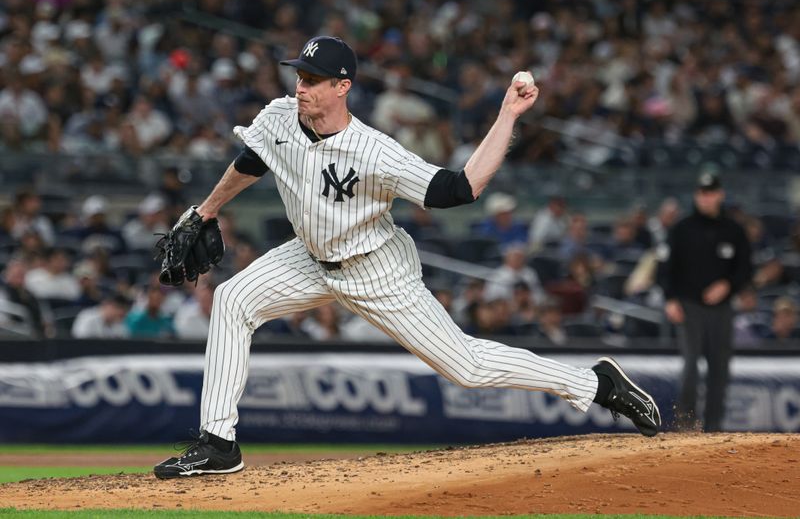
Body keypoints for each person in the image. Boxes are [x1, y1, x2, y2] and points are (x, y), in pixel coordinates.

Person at [153, 36, 661, 479]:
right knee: (233, 299)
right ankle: (218, 444)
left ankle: (595, 384)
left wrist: (507, 114)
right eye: (299, 76)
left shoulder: (375, 152)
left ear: (342, 86)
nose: (300, 87)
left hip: (376, 268)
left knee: (467, 367)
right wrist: (202, 213)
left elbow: (461, 189)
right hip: (308, 258)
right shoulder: (279, 117)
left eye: (313, 79)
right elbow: (250, 160)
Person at [663, 171, 752, 432]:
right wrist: (670, 299)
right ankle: (685, 425)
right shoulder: (682, 228)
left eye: (711, 193)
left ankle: (714, 429)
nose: (706, 198)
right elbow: (667, 268)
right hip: (689, 306)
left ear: (720, 195)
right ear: (696, 196)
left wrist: (728, 285)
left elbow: (745, 268)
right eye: (702, 193)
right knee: (690, 366)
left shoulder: (734, 230)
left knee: (719, 369)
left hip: (722, 310)